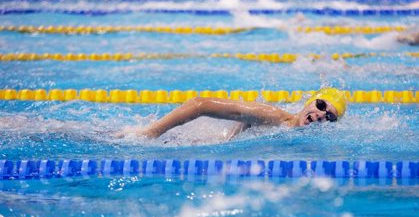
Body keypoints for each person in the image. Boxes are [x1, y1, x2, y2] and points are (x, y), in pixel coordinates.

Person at [118, 88, 347, 139]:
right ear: (309, 103)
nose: (321, 115)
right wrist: (152, 132)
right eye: (320, 105)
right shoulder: (273, 116)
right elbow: (201, 104)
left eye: (330, 116)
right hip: (196, 144)